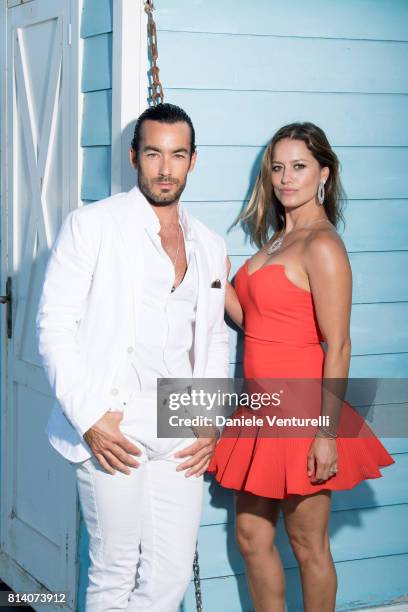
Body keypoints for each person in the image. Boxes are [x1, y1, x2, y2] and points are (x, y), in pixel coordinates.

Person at [36, 103, 229, 611]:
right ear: (133, 157)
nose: (165, 169)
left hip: (180, 413)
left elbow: (215, 335)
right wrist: (90, 416)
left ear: (193, 161)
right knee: (115, 568)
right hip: (112, 416)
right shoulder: (92, 225)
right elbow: (54, 326)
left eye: (177, 155)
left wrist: (207, 420)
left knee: (168, 574)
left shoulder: (209, 245)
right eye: (153, 154)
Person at [207, 122, 394, 612]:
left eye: (299, 167)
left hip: (304, 411)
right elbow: (255, 321)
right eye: (278, 168)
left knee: (308, 545)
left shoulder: (323, 245)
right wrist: (209, 274)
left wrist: (326, 433)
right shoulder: (274, 241)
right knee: (250, 535)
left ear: (324, 174)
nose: (286, 178)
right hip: (261, 409)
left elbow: (340, 345)